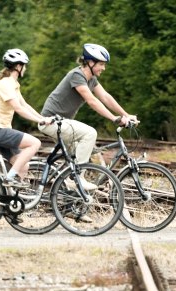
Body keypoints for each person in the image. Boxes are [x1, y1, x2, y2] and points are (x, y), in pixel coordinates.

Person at [39, 43, 138, 190]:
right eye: (101, 64)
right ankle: (76, 178)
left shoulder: (91, 79)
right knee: (90, 133)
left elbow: (105, 97)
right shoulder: (77, 76)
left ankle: (70, 201)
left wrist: (125, 115)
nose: (104, 68)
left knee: (82, 153)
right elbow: (92, 100)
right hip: (51, 122)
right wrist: (114, 118)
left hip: (63, 123)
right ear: (90, 63)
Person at [0, 48, 50, 188]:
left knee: (23, 166)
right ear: (19, 66)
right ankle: (10, 177)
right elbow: (18, 109)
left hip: (0, 129)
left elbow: (25, 105)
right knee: (35, 143)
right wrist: (39, 121)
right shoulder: (5, 84)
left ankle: (12, 203)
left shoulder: (13, 84)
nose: (25, 68)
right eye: (25, 65)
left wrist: (43, 118)